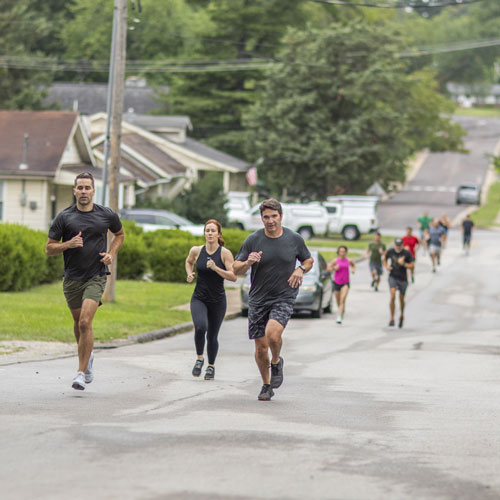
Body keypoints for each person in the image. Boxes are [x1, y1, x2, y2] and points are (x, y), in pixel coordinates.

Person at [46, 172, 124, 390]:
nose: (83, 192)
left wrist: (111, 254)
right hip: (72, 278)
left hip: (96, 275)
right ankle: (87, 357)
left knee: (84, 322)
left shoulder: (106, 214)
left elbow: (120, 234)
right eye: (79, 188)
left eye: (87, 188)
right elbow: (49, 248)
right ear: (74, 191)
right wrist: (67, 245)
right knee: (78, 323)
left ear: (93, 191)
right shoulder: (64, 217)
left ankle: (80, 372)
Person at [233, 199, 313, 402]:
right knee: (260, 347)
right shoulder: (253, 240)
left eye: (274, 216)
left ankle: (276, 361)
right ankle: (266, 385)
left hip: (283, 296)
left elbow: (308, 259)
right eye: (266, 217)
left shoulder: (293, 239)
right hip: (258, 299)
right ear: (261, 219)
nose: (270, 221)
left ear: (281, 216)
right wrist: (248, 262)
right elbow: (236, 267)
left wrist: (300, 269)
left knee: (273, 335)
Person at [185, 219, 236, 380]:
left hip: (217, 300)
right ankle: (200, 359)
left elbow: (233, 276)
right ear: (204, 233)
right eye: (207, 230)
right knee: (200, 327)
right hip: (199, 297)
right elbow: (189, 262)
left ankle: (211, 366)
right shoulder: (196, 250)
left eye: (213, 231)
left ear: (218, 234)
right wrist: (189, 273)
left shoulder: (224, 253)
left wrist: (215, 268)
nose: (210, 233)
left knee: (212, 336)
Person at [383, 238, 414, 328]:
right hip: (393, 276)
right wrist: (387, 266)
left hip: (403, 278)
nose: (398, 247)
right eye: (397, 245)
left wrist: (403, 263)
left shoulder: (406, 253)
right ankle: (392, 318)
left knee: (401, 298)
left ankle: (401, 315)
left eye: (400, 245)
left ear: (402, 245)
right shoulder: (391, 251)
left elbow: (412, 266)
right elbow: (384, 259)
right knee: (392, 295)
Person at [327, 246, 355, 324]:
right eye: (341, 251)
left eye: (344, 251)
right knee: (338, 301)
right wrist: (334, 268)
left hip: (345, 283)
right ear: (338, 252)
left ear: (346, 252)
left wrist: (353, 270)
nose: (342, 253)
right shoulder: (335, 260)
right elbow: (328, 268)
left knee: (342, 299)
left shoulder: (349, 260)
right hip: (337, 282)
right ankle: (341, 310)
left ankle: (339, 317)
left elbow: (353, 265)